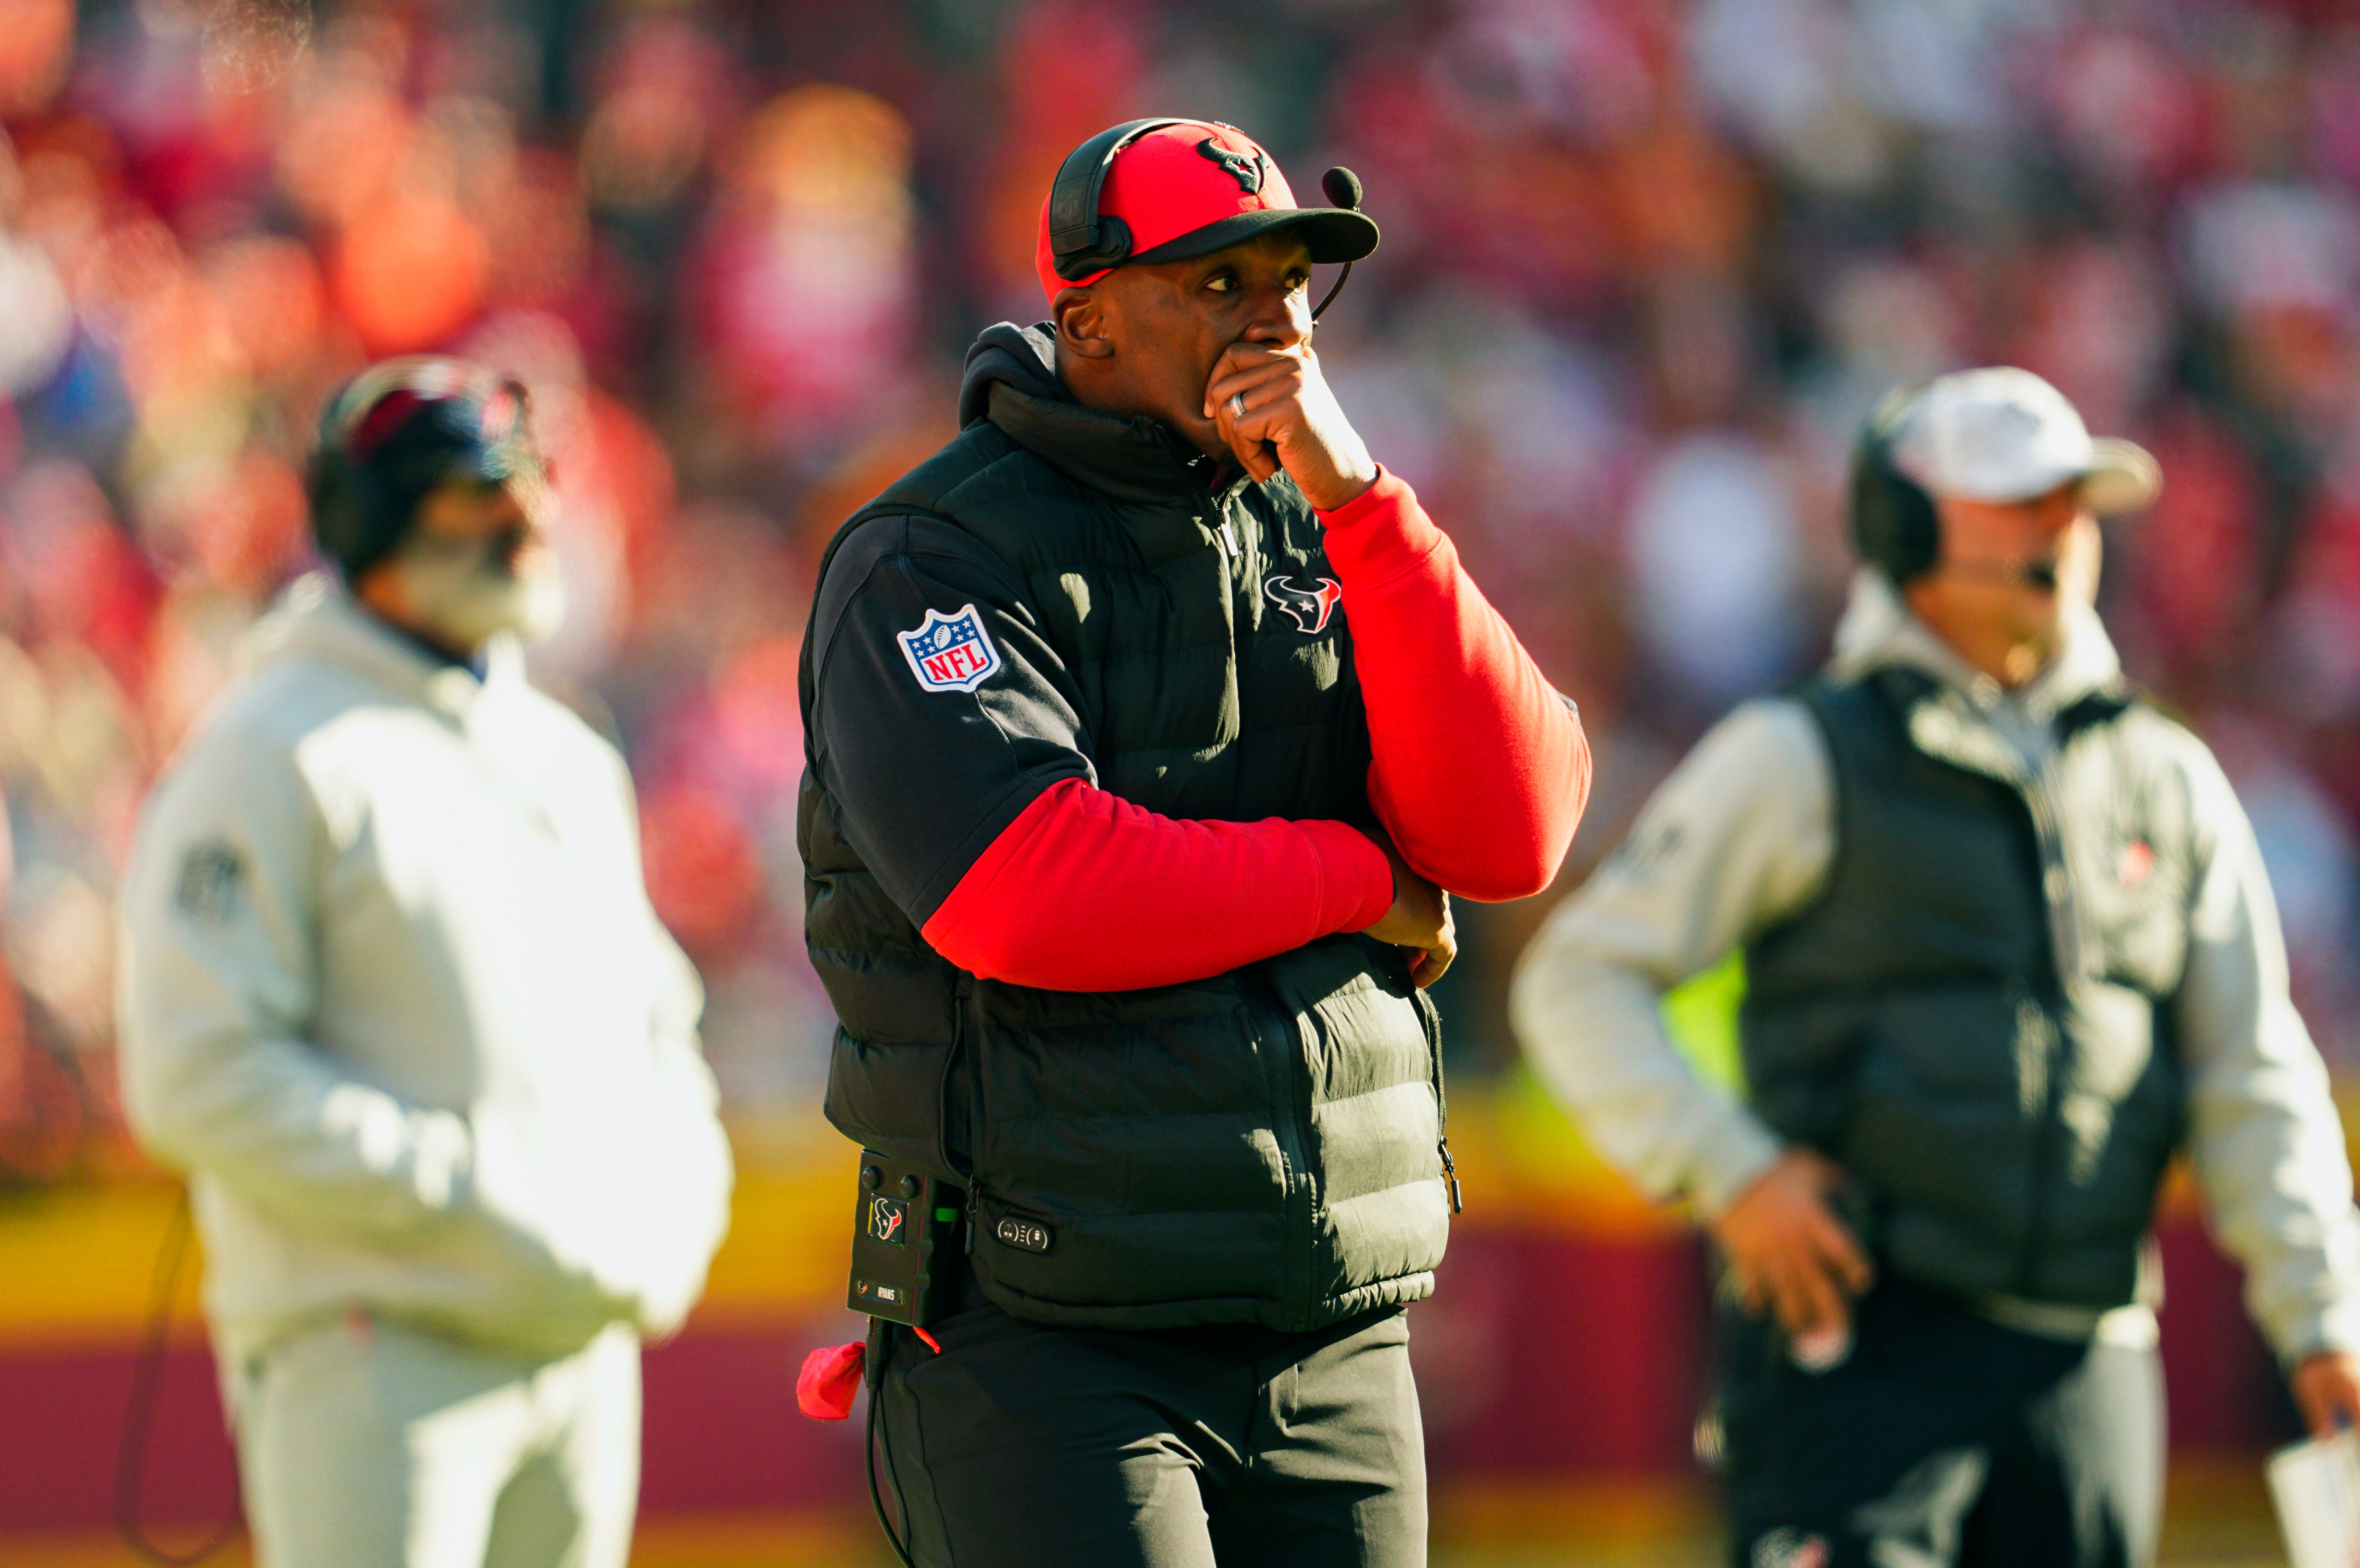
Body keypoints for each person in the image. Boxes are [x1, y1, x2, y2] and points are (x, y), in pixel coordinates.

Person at [796, 118, 1589, 1566]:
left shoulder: (1329, 527)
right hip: (1045, 1334)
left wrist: (1364, 503)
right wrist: (1359, 880)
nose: (1273, 316)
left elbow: (1516, 828)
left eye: (1290, 278)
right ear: (1086, 316)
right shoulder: (929, 555)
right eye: (1217, 282)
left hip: (1329, 1319)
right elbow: (1024, 887)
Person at [1510, 367, 2360, 1568]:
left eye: (2074, 504)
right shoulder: (1797, 751)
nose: (2059, 533)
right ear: (1902, 529)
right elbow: (1578, 978)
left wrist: (2323, 1311)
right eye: (2018, 504)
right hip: (1855, 1350)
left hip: (2089, 1358)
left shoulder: (2166, 776)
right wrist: (1730, 1172)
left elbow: (2251, 1068)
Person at [116, 357, 735, 1568]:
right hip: (374, 1346)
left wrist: (672, 1212)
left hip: (579, 1342)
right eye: (477, 494)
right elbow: (196, 1074)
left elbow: (661, 1022)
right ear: (372, 521)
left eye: (536, 483)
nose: (531, 520)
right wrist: (472, 1193)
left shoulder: (567, 755)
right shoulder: (267, 749)